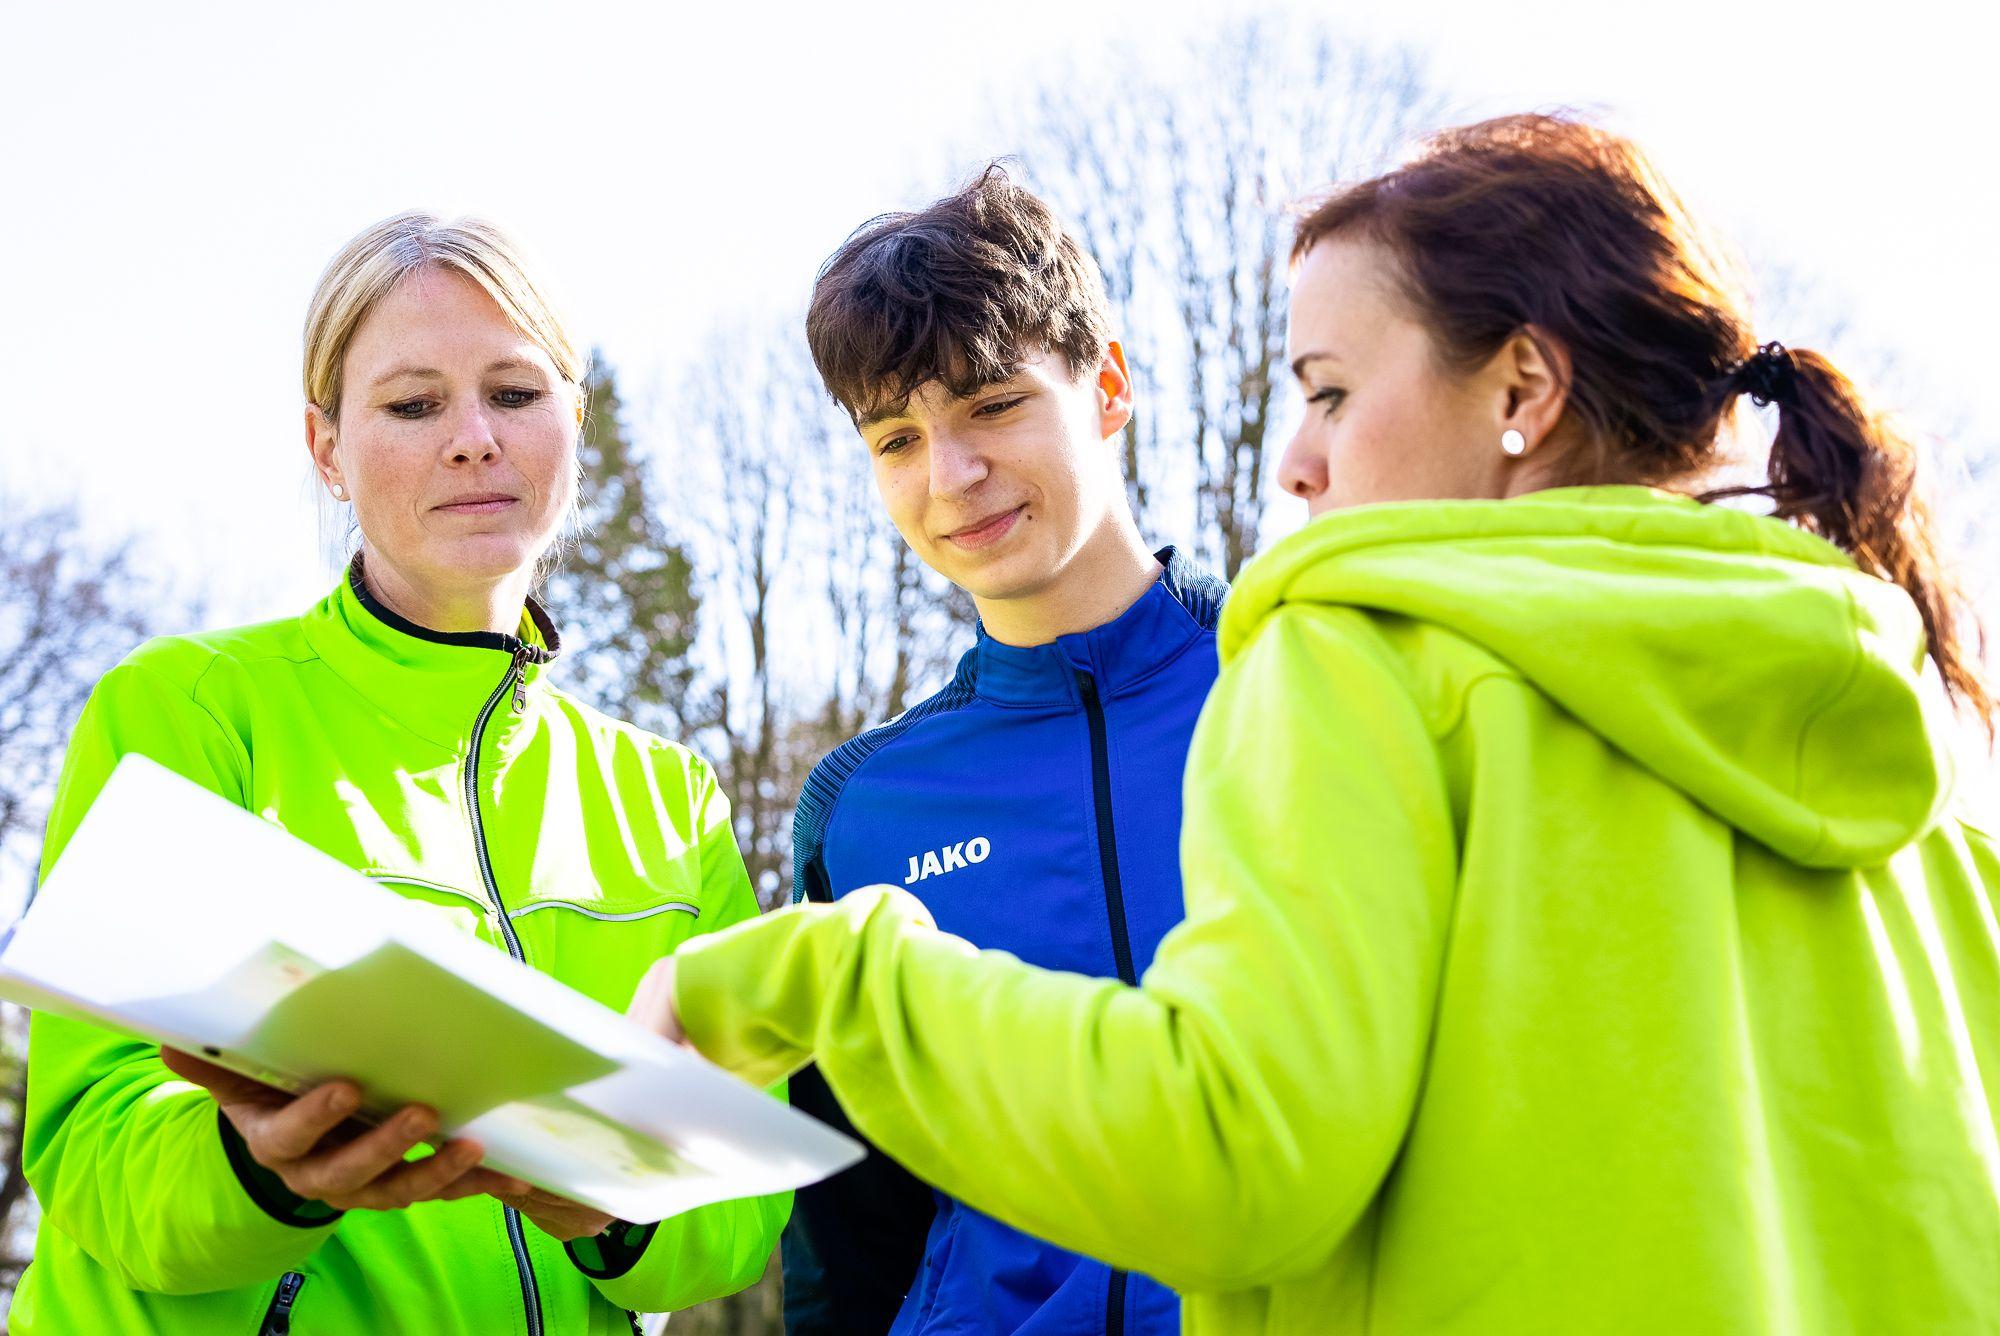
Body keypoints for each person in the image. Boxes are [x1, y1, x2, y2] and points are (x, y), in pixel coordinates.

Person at [634, 114, 2000, 1332]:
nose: (1295, 458)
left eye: (1330, 390)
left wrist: (822, 976)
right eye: (894, 441)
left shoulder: (1349, 667)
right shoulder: (1916, 725)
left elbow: (1237, 1150)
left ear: (1523, 392)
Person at [11, 213, 786, 1334]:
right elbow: (94, 1152)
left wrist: (620, 1205)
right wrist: (260, 1166)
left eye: (514, 394)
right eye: (414, 404)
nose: (472, 437)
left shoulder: (670, 799)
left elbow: (738, 1208)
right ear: (326, 449)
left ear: (575, 420)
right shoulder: (184, 710)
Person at [780, 166, 1221, 1334]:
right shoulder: (862, 805)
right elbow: (849, 1223)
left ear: (1107, 385)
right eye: (896, 437)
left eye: (991, 405)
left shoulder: (1300, 681)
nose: (950, 476)